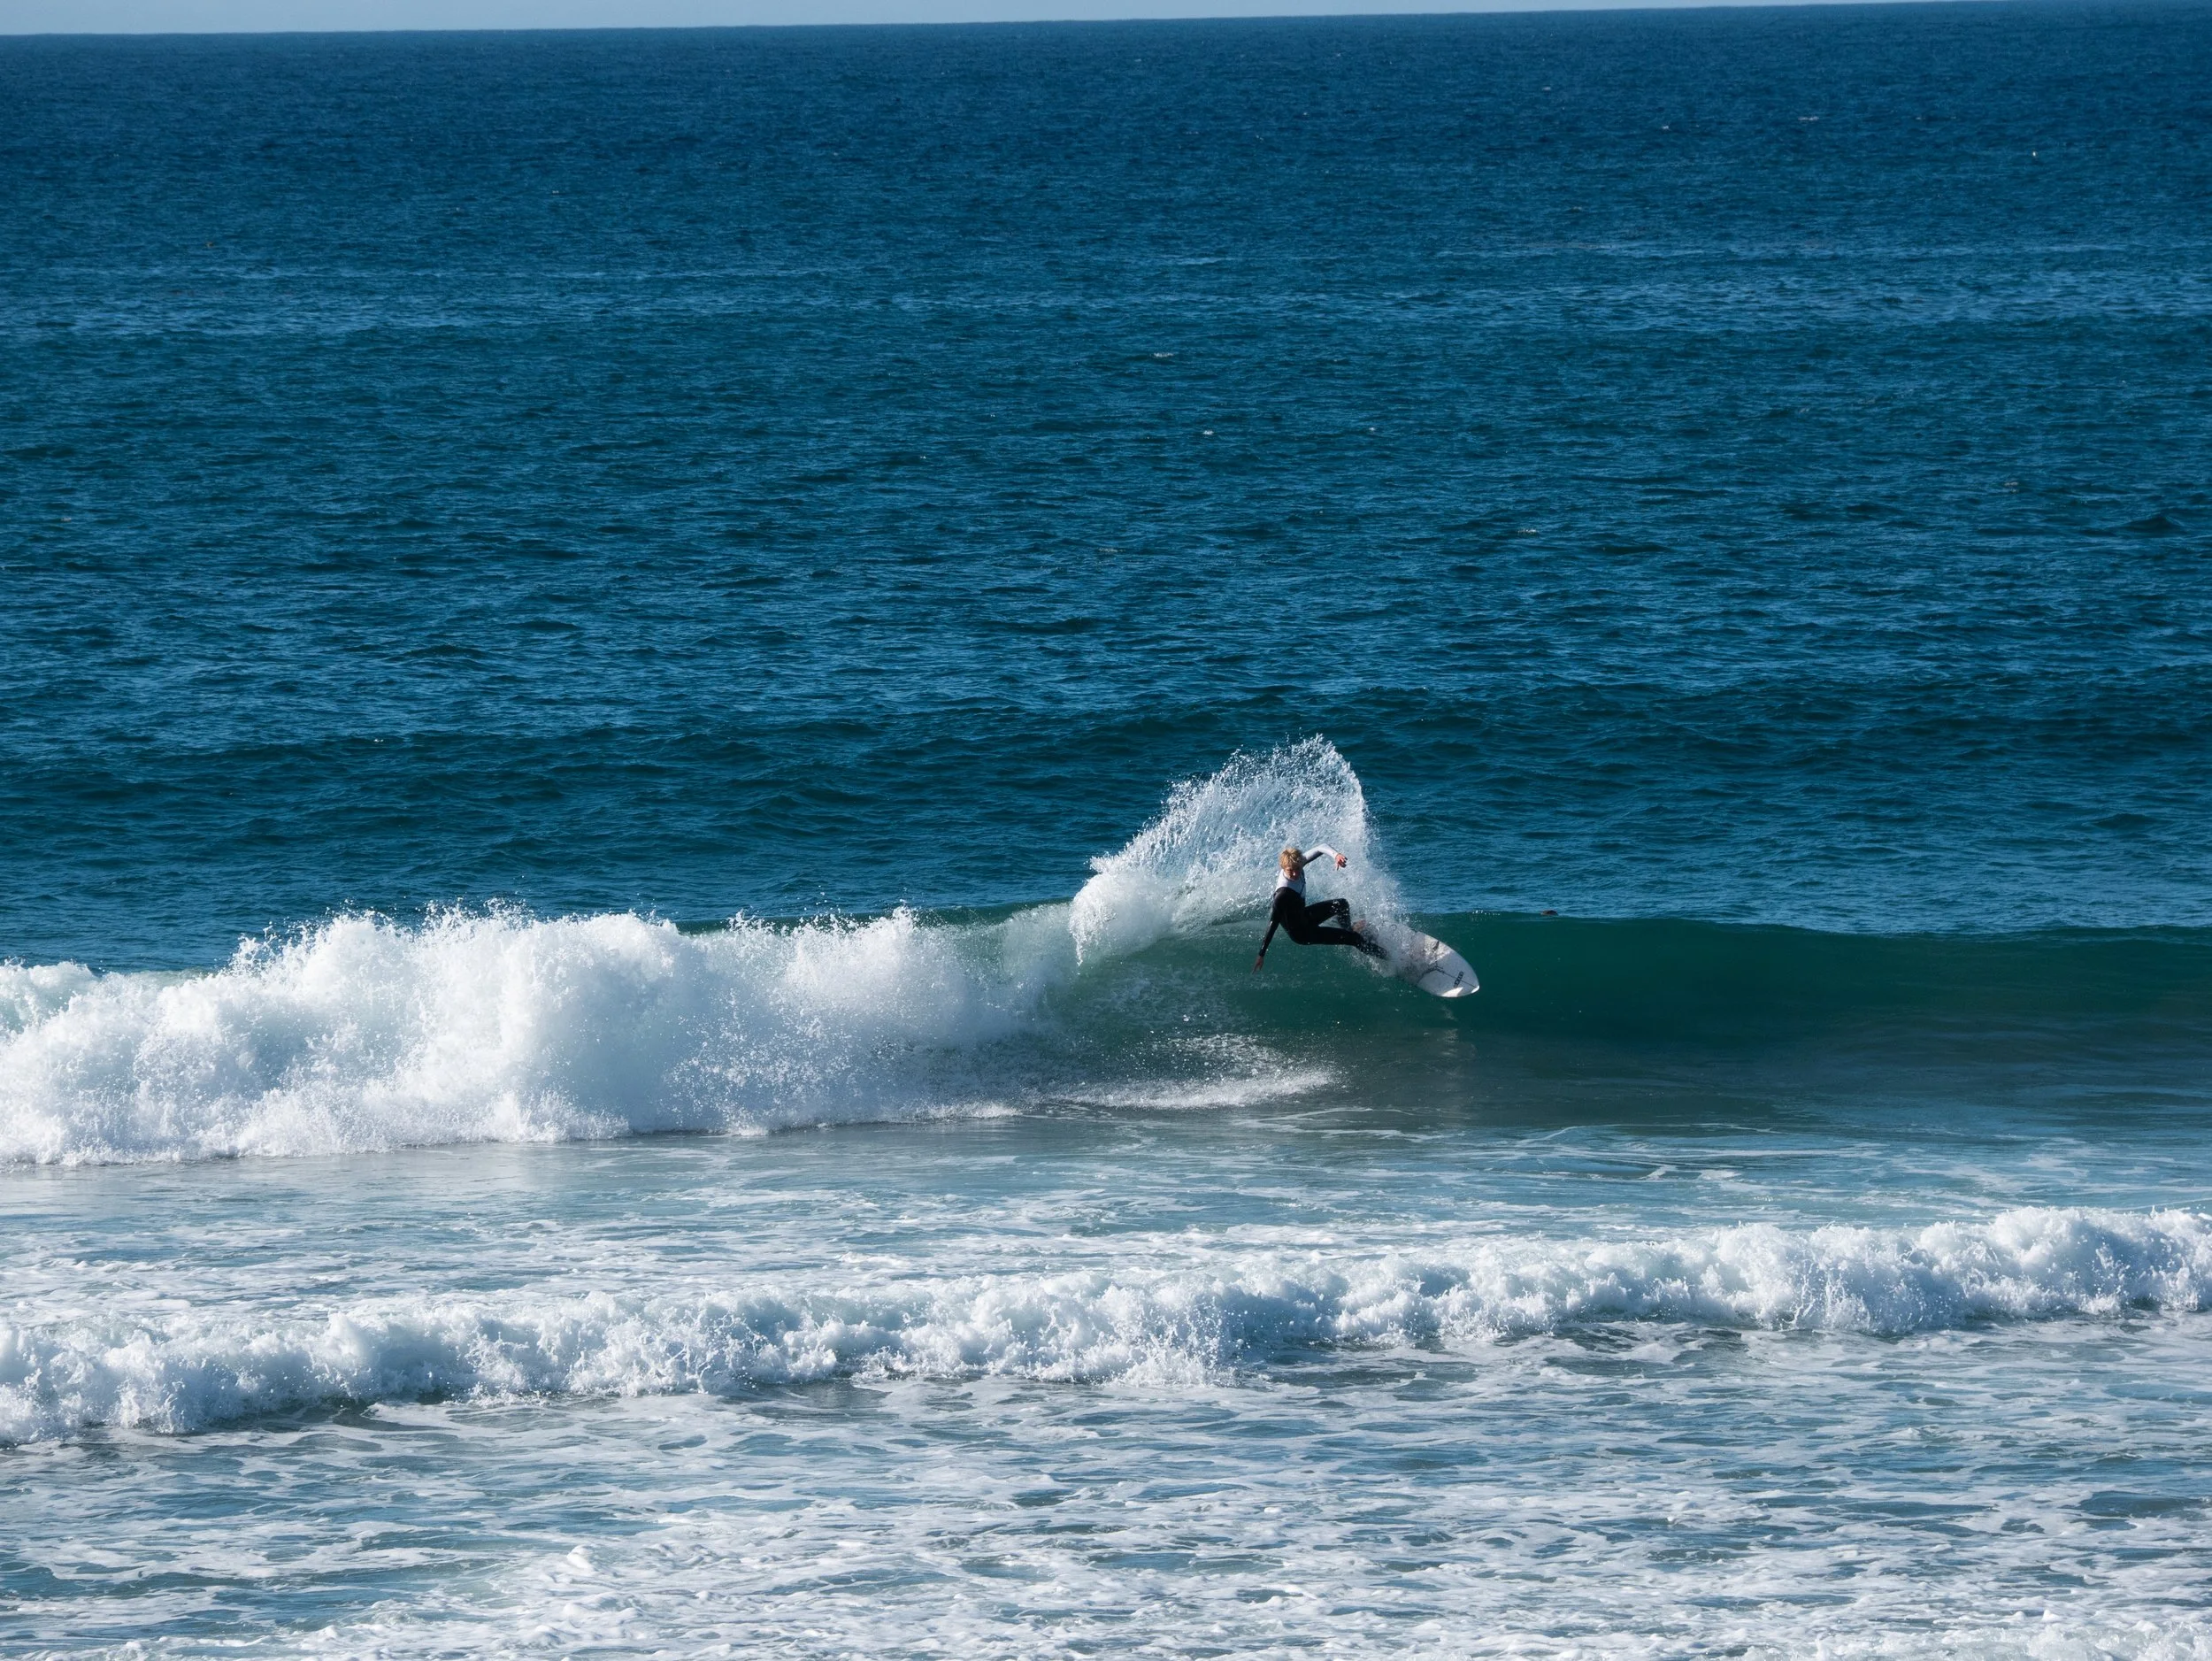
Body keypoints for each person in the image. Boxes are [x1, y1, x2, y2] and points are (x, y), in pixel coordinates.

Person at [1253, 845, 1386, 970]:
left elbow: (1320, 847)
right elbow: (1273, 923)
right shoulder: (1282, 893)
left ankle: (1348, 928)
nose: (1295, 874)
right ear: (1283, 867)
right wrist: (1261, 954)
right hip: (1302, 933)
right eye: (1290, 871)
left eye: (1298, 868)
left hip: (1304, 915)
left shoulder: (1298, 863)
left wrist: (1336, 855)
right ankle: (1391, 958)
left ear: (1301, 863)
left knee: (1341, 904)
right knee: (1354, 939)